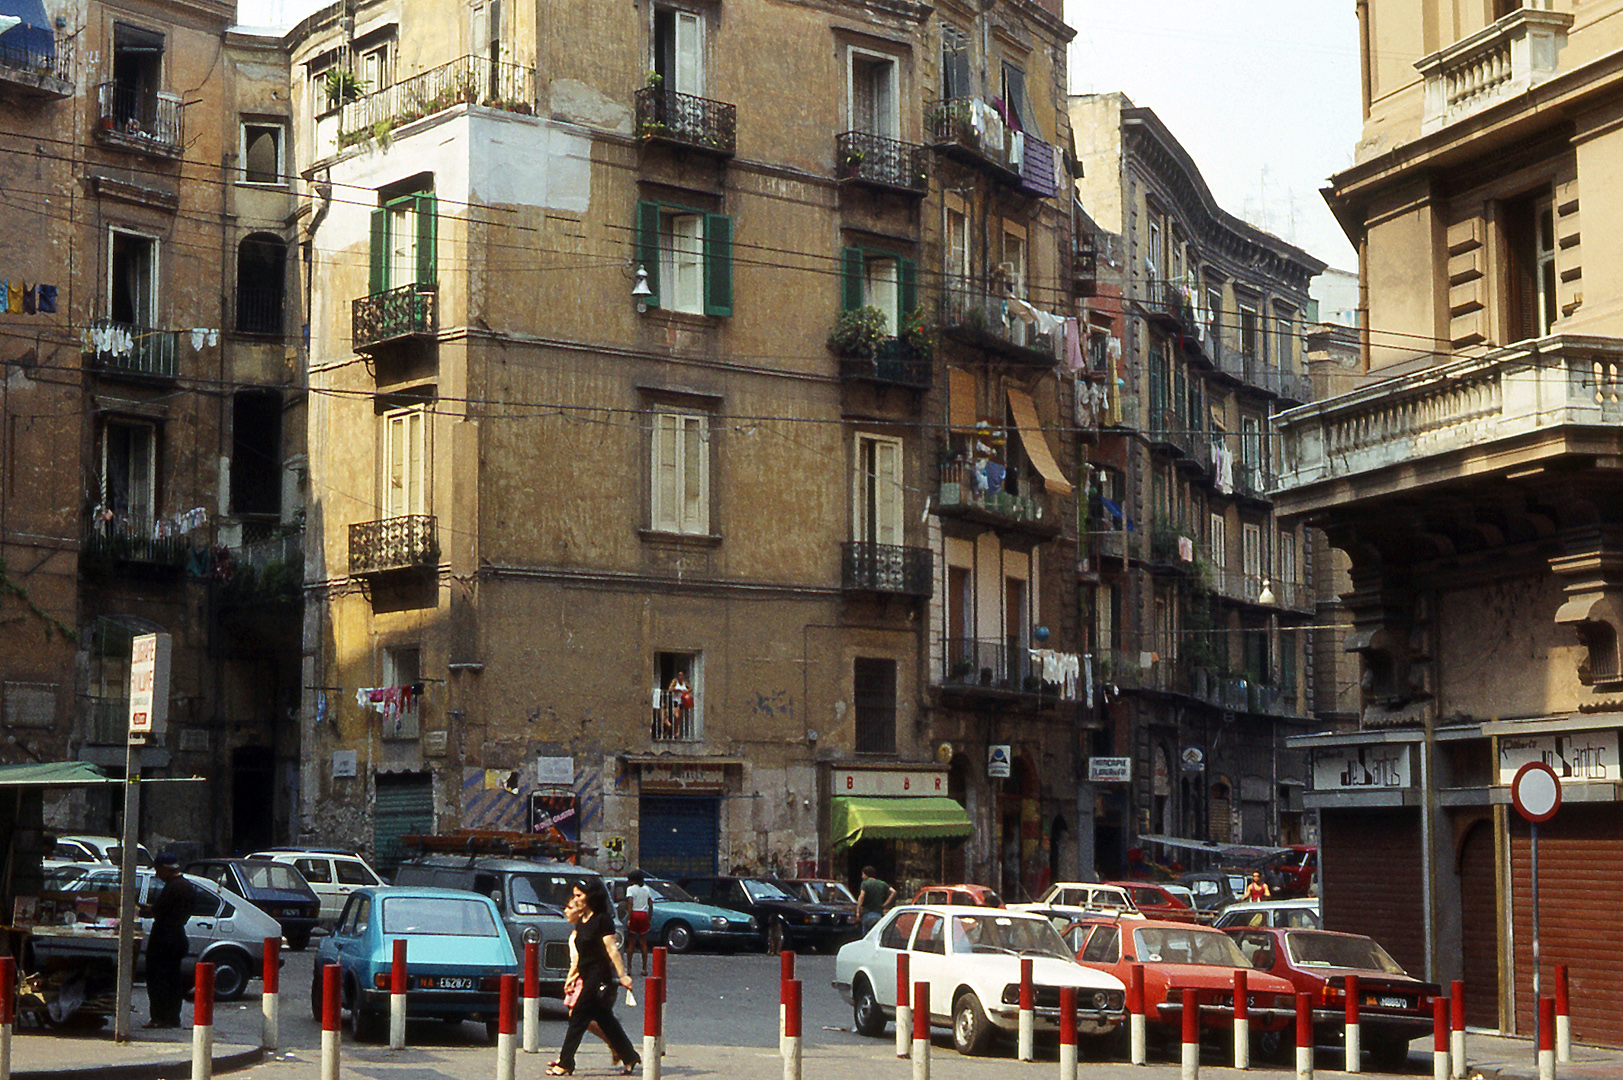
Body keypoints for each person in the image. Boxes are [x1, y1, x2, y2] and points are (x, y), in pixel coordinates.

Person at [550, 880, 640, 1077]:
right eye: (574, 895)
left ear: (590, 897)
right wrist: (572, 977)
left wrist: (623, 975)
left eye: (579, 896)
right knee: (605, 1019)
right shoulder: (583, 921)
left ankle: (566, 1061)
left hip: (599, 977)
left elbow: (612, 950)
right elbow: (580, 956)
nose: (576, 900)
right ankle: (630, 1056)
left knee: (578, 1016)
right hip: (585, 974)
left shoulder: (602, 920)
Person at [139, 852, 195, 1029]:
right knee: (173, 979)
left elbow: (160, 911)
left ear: (164, 869)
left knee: (158, 979)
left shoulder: (173, 887)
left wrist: (146, 910)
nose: (156, 875)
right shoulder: (186, 886)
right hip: (178, 936)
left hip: (165, 938)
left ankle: (160, 1017)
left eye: (157, 870)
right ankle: (172, 1017)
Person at [621, 870, 654, 976]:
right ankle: (644, 968)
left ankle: (629, 968)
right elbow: (650, 905)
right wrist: (649, 918)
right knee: (643, 942)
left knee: (631, 942)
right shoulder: (646, 889)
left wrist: (629, 918)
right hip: (643, 914)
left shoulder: (630, 889)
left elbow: (630, 903)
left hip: (634, 914)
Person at [857, 865, 895, 934]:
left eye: (862, 874)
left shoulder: (865, 884)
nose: (862, 876)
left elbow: (861, 897)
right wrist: (885, 904)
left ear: (866, 874)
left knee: (866, 937)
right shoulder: (882, 883)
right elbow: (893, 892)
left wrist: (858, 912)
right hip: (878, 914)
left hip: (867, 914)